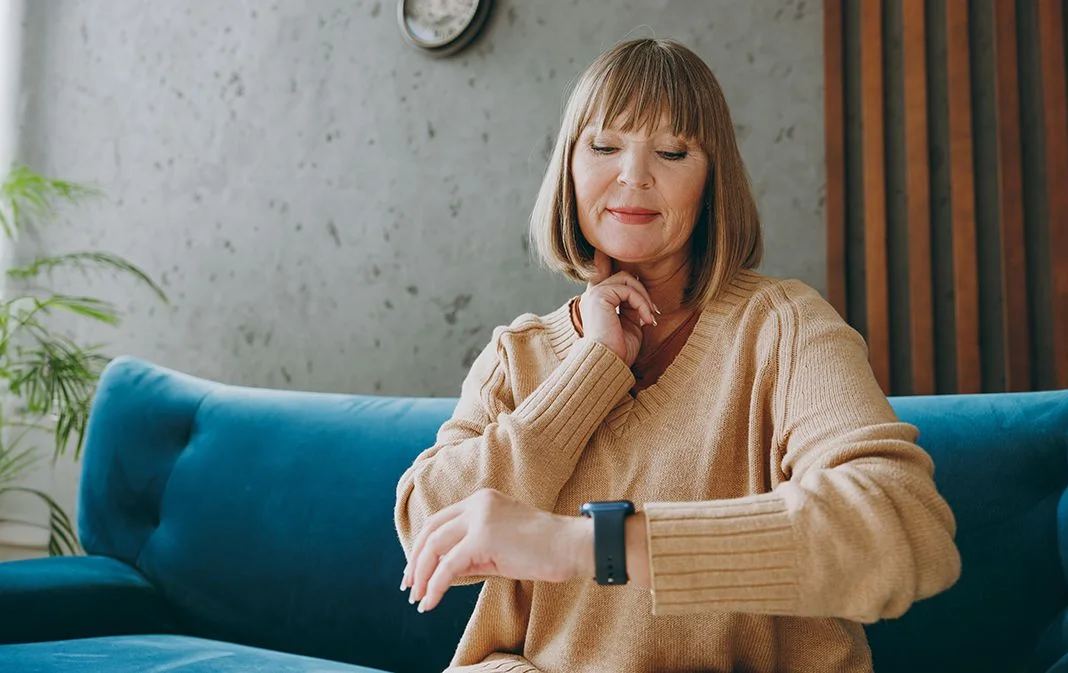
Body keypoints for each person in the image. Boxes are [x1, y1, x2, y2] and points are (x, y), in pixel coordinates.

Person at [394, 38, 960, 673]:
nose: (633, 176)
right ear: (570, 168)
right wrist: (590, 372)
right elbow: (427, 529)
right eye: (604, 147)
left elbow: (903, 527)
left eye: (671, 151)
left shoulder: (783, 326)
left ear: (711, 180)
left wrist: (588, 545)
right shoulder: (518, 354)